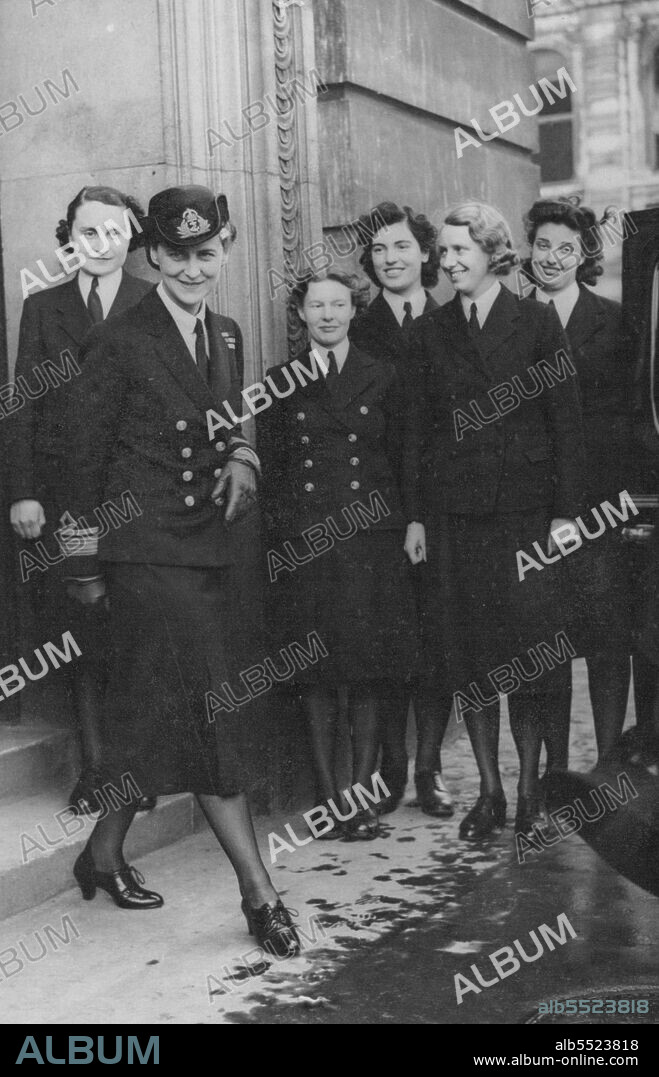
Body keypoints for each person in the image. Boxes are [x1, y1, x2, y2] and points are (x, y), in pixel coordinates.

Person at [63, 185, 299, 956]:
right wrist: (85, 567)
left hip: (214, 551)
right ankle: (258, 894)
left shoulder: (225, 334)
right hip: (148, 556)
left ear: (223, 250)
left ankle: (100, 852)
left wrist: (245, 451)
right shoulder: (121, 340)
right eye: (177, 254)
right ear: (153, 255)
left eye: (208, 253)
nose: (195, 267)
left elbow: (233, 412)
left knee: (163, 712)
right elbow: (80, 464)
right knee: (210, 711)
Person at [403, 201, 585, 841]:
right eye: (445, 252)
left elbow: (566, 422)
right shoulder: (431, 331)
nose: (448, 262)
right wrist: (418, 519)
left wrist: (566, 514)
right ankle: (490, 793)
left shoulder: (535, 323)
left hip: (526, 517)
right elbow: (419, 435)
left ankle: (534, 796)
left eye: (461, 252)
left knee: (531, 658)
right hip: (456, 519)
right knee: (470, 658)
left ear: (492, 254)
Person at [6, 185, 154, 815]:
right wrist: (24, 493)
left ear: (132, 236)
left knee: (139, 633)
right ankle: (97, 768)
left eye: (113, 231)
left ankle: (137, 770)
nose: (100, 244)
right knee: (81, 632)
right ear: (69, 237)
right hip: (70, 499)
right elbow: (24, 406)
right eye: (87, 232)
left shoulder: (155, 300)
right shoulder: (44, 308)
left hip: (140, 497)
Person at [258, 271, 418, 840]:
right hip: (307, 546)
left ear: (355, 310)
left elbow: (405, 458)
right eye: (316, 305)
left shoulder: (385, 376)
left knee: (370, 674)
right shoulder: (279, 383)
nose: (327, 315)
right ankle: (331, 803)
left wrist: (412, 523)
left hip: (372, 541)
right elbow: (274, 478)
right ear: (300, 313)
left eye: (339, 305)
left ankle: (363, 798)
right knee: (319, 676)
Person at [521, 198, 637, 769]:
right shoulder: (510, 320)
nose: (552, 258)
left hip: (597, 509)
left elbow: (626, 418)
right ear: (529, 248)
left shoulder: (615, 321)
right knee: (546, 646)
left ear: (584, 254)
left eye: (566, 248)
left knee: (607, 638)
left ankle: (609, 768)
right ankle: (555, 772)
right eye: (543, 245)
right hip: (529, 510)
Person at [351, 202, 452, 819]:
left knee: (438, 638)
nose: (391, 259)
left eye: (402, 248)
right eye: (380, 251)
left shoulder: (452, 324)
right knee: (387, 638)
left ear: (425, 254)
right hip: (380, 507)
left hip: (441, 508)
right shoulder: (355, 328)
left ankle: (429, 767)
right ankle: (388, 767)